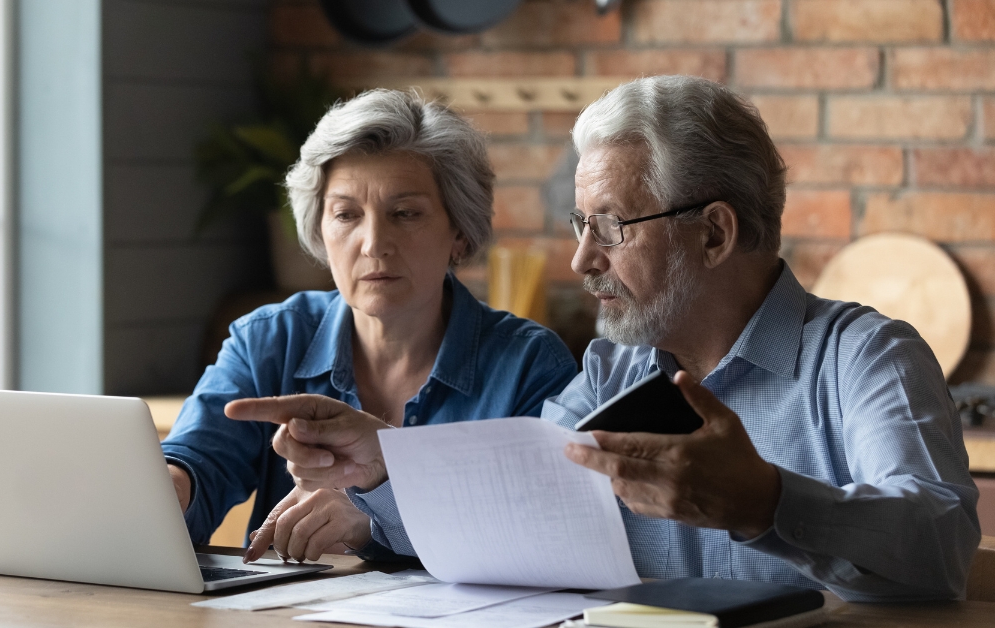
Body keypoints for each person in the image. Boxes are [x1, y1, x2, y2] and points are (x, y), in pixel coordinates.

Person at [236, 76, 980, 602]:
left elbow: (940, 550)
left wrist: (766, 502)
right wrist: (385, 465)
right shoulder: (610, 370)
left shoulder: (865, 356)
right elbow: (515, 506)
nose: (581, 261)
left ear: (715, 233)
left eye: (612, 228)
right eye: (580, 226)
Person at [161, 89, 577, 564]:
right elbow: (200, 460)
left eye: (405, 214)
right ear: (320, 230)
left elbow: (543, 532)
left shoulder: (530, 366)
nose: (374, 243)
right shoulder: (269, 340)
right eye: (346, 215)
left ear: (459, 232)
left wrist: (376, 521)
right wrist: (171, 489)